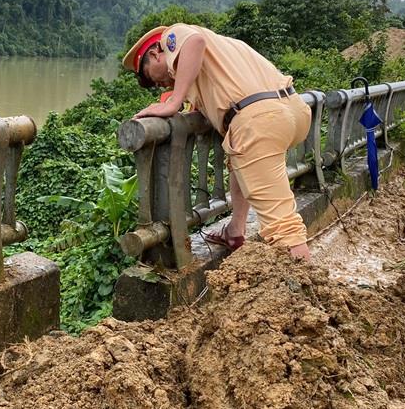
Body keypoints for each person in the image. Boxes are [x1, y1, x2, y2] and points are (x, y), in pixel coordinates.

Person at [122, 24, 312, 260]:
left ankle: (305, 286)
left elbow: (193, 43)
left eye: (149, 77)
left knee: (283, 227)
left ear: (154, 54)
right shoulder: (222, 48)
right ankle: (235, 230)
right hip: (293, 110)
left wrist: (173, 103)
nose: (157, 85)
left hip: (260, 121)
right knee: (239, 159)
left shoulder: (175, 35)